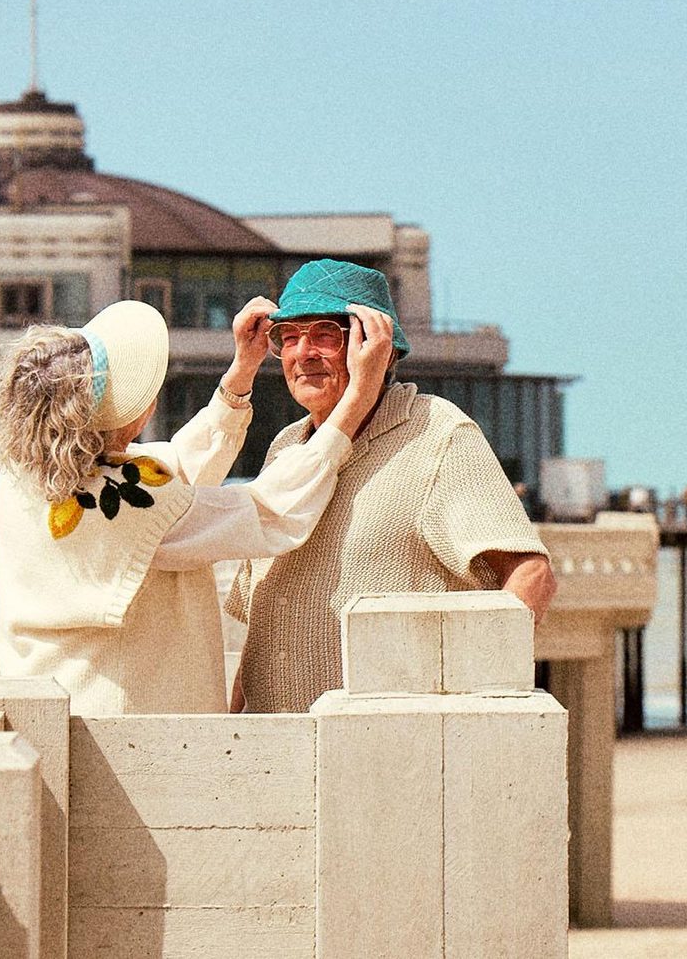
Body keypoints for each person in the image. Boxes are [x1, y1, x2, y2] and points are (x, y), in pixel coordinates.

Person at [0, 297, 391, 715]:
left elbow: (170, 474)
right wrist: (358, 397)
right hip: (120, 735)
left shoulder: (22, 479)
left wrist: (241, 374)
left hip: (55, 713)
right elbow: (273, 511)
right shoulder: (126, 498)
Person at [225, 259, 557, 714]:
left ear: (377, 346)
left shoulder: (436, 433)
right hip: (275, 752)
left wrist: (475, 705)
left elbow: (531, 575)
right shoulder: (286, 447)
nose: (303, 353)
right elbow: (262, 618)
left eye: (325, 335)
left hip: (391, 752)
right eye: (289, 337)